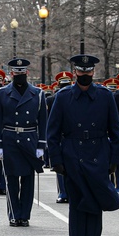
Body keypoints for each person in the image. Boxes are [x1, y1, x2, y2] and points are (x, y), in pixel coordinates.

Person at [47, 55, 119, 236]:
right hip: (73, 154)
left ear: (93, 73)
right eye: (81, 72)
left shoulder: (105, 96)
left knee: (95, 203)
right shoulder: (63, 97)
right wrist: (56, 159)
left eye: (88, 72)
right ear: (75, 73)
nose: (85, 76)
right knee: (76, 203)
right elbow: (52, 131)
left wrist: (114, 158)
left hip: (98, 153)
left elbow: (115, 130)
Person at [0, 58, 47, 227]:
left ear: (27, 73)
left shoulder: (38, 93)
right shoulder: (2, 93)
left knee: (28, 180)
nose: (20, 75)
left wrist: (41, 145)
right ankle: (14, 214)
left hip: (29, 138)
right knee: (12, 180)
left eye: (22, 72)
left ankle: (25, 215)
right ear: (11, 73)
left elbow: (43, 121)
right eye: (17, 72)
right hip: (9, 139)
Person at [50, 72, 74, 203]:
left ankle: (71, 193)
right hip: (60, 137)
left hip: (72, 136)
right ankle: (63, 193)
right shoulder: (53, 99)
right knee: (60, 167)